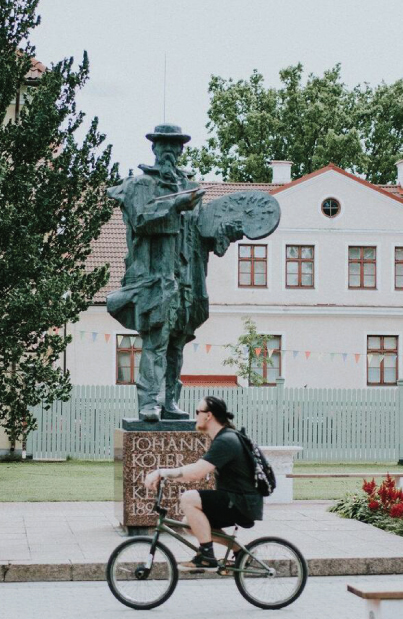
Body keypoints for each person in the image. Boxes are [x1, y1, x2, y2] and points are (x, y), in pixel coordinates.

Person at [106, 124, 243, 422]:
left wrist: (225, 233)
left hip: (186, 279)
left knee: (176, 344)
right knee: (155, 341)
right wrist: (175, 206)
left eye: (175, 145)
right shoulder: (139, 185)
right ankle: (148, 403)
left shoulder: (191, 189)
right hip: (155, 278)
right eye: (163, 144)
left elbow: (199, 236)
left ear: (181, 150)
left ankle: (170, 401)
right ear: (154, 148)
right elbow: (141, 221)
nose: (169, 150)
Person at [143, 396, 263, 569]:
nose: (196, 416)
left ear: (209, 415)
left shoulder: (226, 440)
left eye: (198, 412)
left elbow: (196, 473)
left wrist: (161, 472)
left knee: (188, 498)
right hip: (241, 500)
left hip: (242, 501)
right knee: (189, 522)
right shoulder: (224, 438)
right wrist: (167, 476)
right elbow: (190, 474)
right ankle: (241, 553)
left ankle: (207, 556)